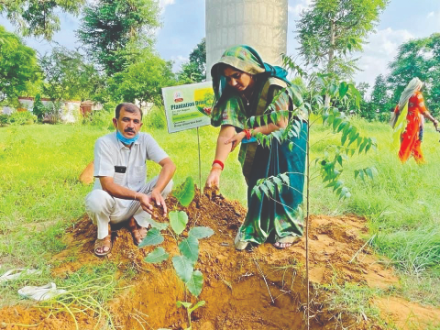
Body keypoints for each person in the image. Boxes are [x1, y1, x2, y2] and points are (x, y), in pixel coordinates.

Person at [205, 45, 308, 250]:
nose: (233, 82)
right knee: (259, 178)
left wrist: (248, 133)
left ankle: (289, 228)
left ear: (251, 70)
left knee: (286, 174)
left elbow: (280, 124)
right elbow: (228, 131)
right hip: (258, 133)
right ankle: (260, 226)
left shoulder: (274, 85)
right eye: (228, 78)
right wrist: (217, 168)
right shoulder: (233, 94)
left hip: (290, 134)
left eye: (237, 75)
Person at [85, 103, 176, 256]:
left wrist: (156, 190)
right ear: (115, 122)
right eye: (126, 120)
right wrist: (138, 196)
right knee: (96, 198)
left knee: (167, 183)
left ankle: (138, 223)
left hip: (137, 204)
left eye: (135, 121)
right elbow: (107, 185)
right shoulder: (104, 143)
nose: (131, 125)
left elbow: (169, 165)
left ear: (140, 125)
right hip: (112, 206)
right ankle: (104, 233)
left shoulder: (145, 140)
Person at [393, 78, 438, 163]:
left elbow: (397, 109)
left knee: (414, 143)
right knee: (407, 143)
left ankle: (422, 164)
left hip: (403, 122)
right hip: (413, 122)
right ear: (417, 86)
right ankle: (399, 164)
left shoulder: (404, 95)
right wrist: (433, 120)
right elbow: (423, 111)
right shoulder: (417, 95)